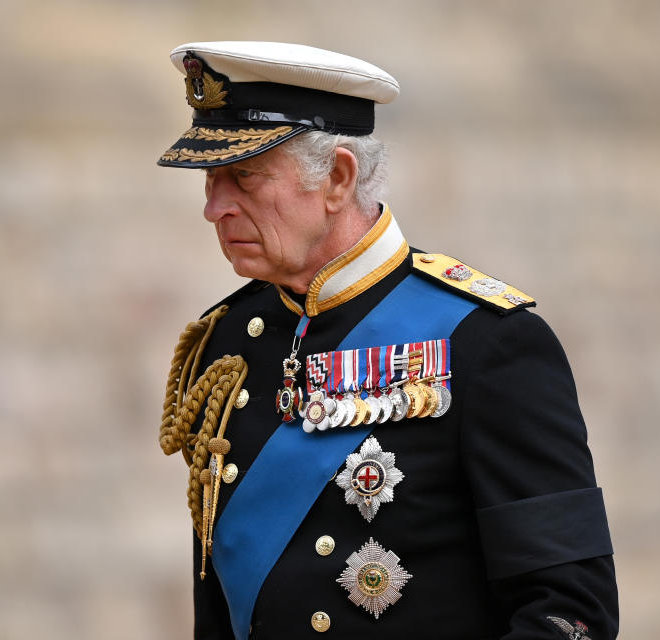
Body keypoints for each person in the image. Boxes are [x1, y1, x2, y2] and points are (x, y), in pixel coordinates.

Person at [156, 41, 618, 640]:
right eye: (212, 180)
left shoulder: (487, 342)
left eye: (244, 177)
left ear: (339, 179)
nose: (215, 208)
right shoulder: (223, 348)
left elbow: (568, 610)